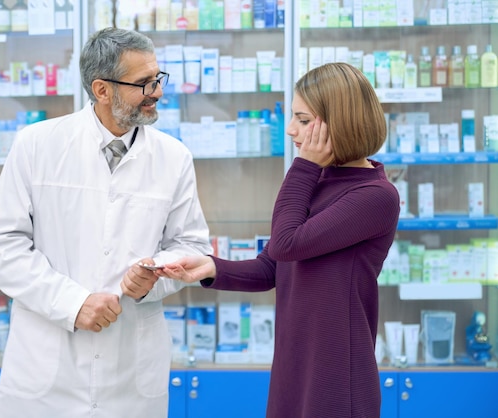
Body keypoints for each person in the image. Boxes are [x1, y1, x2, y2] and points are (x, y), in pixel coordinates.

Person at [0, 27, 212, 418]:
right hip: (46, 370)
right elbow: (0, 245)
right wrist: (73, 303)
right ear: (102, 90)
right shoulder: (37, 145)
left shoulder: (174, 157)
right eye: (143, 83)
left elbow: (193, 248)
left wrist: (153, 277)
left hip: (130, 373)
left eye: (157, 78)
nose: (157, 91)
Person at [157, 62, 401, 418]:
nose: (290, 130)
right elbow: (274, 264)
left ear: (341, 122)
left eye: (303, 120)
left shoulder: (374, 195)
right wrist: (210, 267)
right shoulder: (319, 181)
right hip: (295, 361)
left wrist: (304, 166)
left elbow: (287, 242)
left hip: (335, 372)